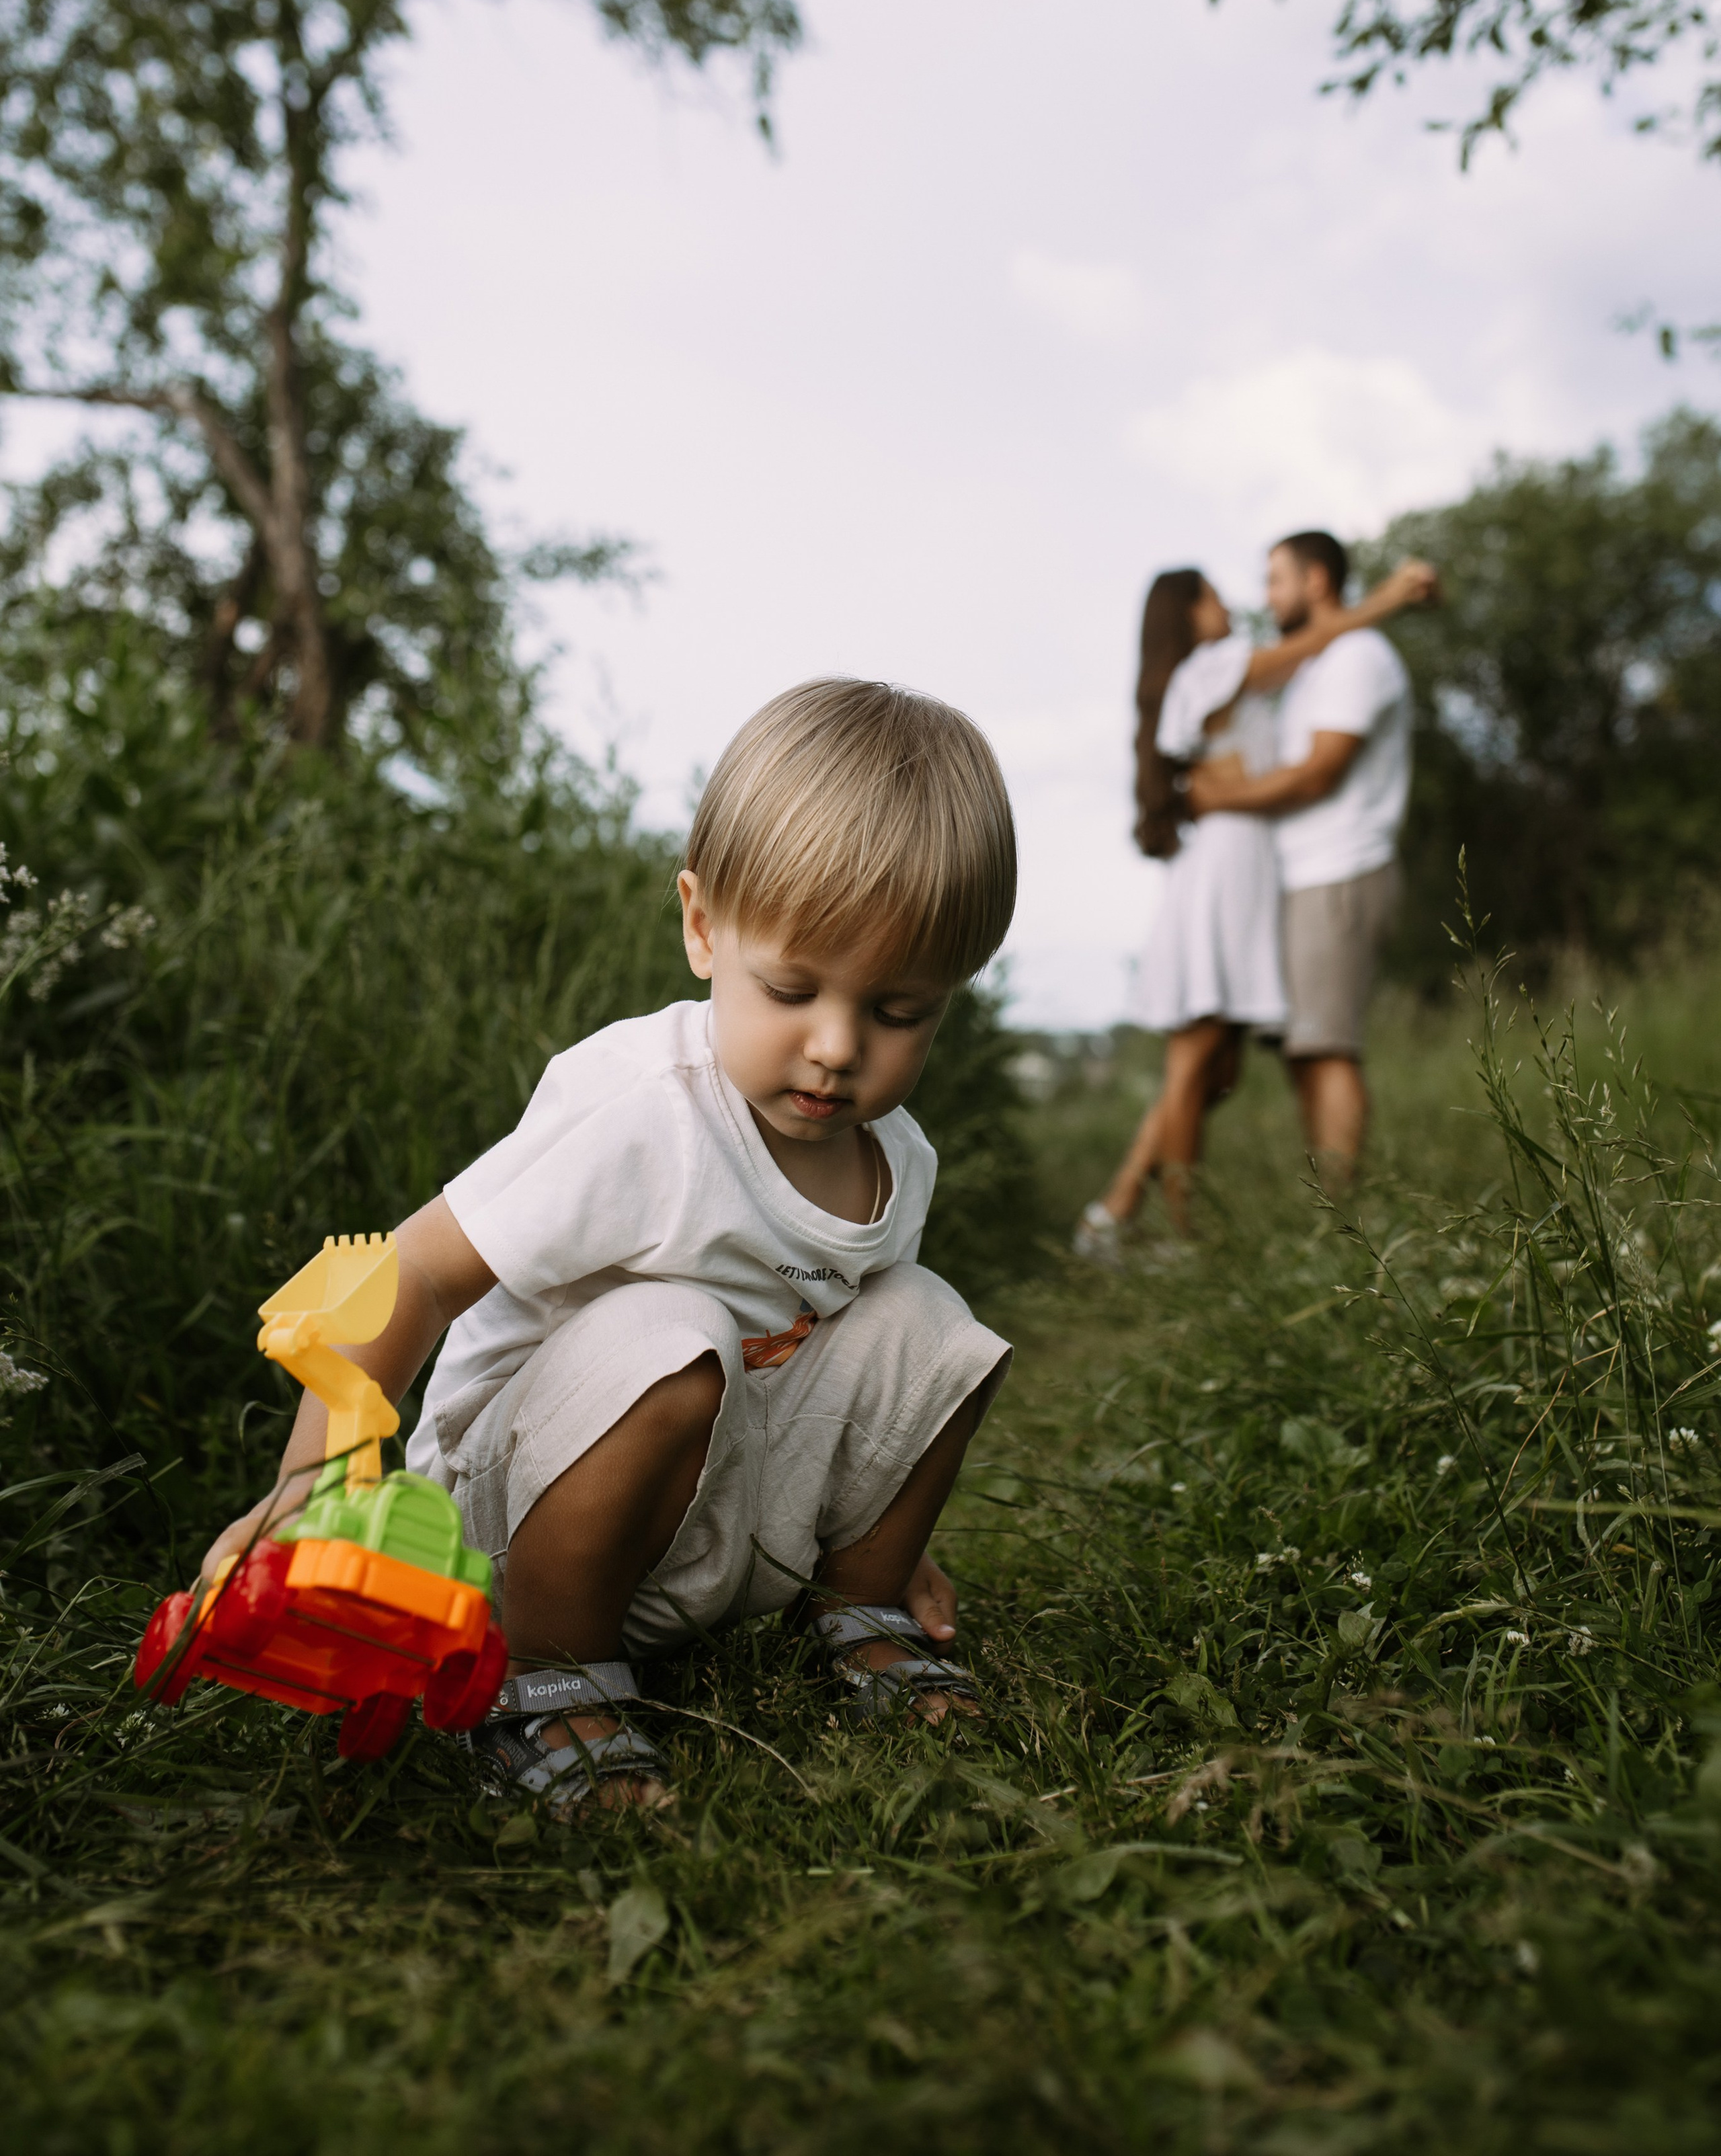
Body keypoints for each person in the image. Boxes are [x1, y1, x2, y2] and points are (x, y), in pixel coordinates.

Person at [200, 680, 1017, 1812]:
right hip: (519, 1520)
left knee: (933, 1324)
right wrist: (316, 1478)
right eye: (791, 989)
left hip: (705, 1513)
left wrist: (886, 1524)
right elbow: (417, 1267)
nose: (836, 1047)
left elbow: (846, 1364)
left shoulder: (899, 1160)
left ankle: (860, 1606)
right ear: (700, 927)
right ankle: (544, 1672)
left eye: (899, 1011)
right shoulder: (644, 1109)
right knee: (670, 1333)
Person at [1075, 553, 1434, 1254]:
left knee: (1216, 1065)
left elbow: (1300, 677)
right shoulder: (1213, 666)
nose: (1230, 605)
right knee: (1196, 1059)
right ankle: (1177, 1237)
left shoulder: (1217, 678)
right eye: (1212, 597)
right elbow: (1304, 648)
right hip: (1228, 865)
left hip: (1238, 865)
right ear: (1186, 614)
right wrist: (1390, 597)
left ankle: (1116, 1213)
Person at [1187, 529, 1430, 1177]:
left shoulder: (1359, 657)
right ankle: (1331, 1202)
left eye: (1276, 579)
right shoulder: (1316, 664)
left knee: (1328, 1049)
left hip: (1342, 871)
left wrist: (1220, 800)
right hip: (1306, 880)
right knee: (1305, 1050)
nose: (1267, 596)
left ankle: (1343, 1217)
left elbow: (1318, 772)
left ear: (1316, 580)